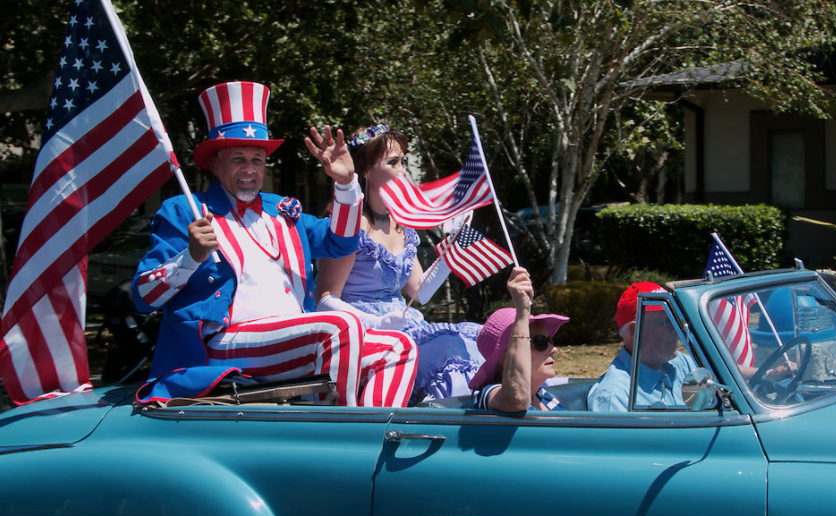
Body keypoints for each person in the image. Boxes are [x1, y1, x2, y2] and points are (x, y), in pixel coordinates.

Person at [132, 82, 417, 407]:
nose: (250, 169)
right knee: (340, 324)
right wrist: (190, 258)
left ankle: (369, 442)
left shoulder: (282, 210)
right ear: (215, 164)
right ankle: (342, 438)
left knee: (398, 347)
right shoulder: (185, 210)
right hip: (222, 345)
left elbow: (340, 244)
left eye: (257, 158)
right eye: (238, 158)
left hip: (297, 340)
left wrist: (346, 184)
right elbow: (143, 296)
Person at [313, 124, 483, 404]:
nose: (402, 170)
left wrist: (455, 243)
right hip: (364, 336)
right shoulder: (348, 223)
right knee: (450, 349)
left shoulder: (401, 225)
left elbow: (420, 292)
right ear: (365, 170)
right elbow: (325, 300)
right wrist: (378, 322)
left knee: (479, 341)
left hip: (404, 325)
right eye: (393, 162)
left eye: (402, 160)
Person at [469, 267, 569, 412]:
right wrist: (522, 312)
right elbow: (517, 400)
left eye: (550, 339)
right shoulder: (490, 393)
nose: (554, 349)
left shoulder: (544, 396)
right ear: (505, 359)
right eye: (540, 342)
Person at [587, 282, 698, 412]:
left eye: (676, 320)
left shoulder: (685, 364)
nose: (676, 329)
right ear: (635, 330)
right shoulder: (616, 397)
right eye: (666, 322)